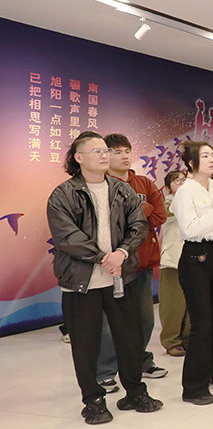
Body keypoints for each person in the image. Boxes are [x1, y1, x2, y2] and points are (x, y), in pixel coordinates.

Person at [47, 131, 162, 424]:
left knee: (130, 338)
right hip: (81, 282)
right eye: (96, 151)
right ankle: (94, 400)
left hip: (120, 277)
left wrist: (121, 253)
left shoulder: (122, 190)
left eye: (105, 151)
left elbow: (138, 225)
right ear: (78, 157)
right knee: (86, 343)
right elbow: (67, 236)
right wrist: (103, 257)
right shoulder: (63, 194)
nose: (104, 155)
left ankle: (135, 392)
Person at [93, 134, 168, 394]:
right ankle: (105, 371)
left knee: (145, 319)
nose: (124, 156)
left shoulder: (144, 182)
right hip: (113, 265)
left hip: (143, 263)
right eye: (117, 151)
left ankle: (139, 361)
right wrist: (142, 208)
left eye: (127, 151)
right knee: (111, 322)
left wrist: (137, 210)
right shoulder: (101, 185)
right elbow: (111, 221)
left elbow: (159, 216)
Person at [171, 140, 213, 405]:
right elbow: (190, 228)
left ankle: (212, 368)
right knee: (201, 323)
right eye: (206, 156)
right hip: (195, 258)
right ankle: (193, 386)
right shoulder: (185, 191)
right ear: (191, 163)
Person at [159, 170, 190, 357]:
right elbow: (168, 213)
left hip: (191, 259)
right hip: (172, 259)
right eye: (177, 181)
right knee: (173, 304)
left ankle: (187, 338)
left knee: (189, 303)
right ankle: (171, 340)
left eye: (184, 180)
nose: (181, 183)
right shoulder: (166, 203)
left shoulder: (192, 200)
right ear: (167, 187)